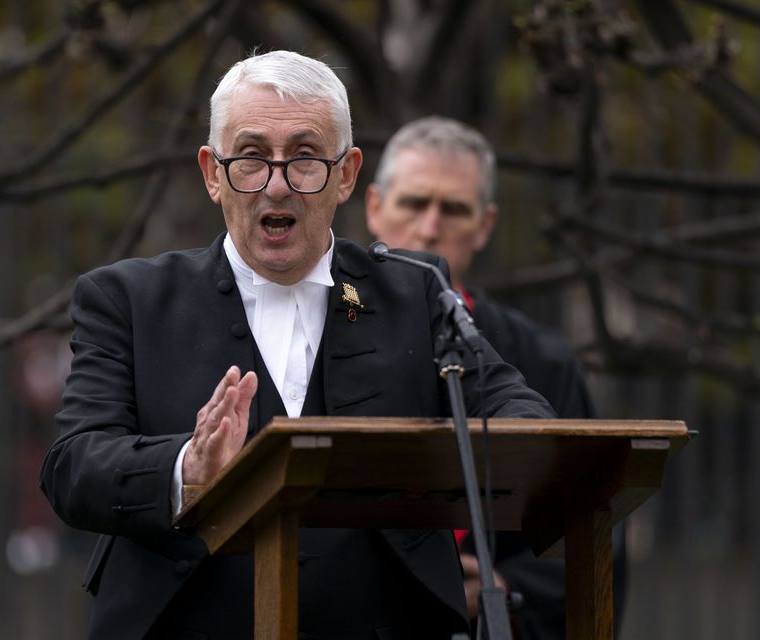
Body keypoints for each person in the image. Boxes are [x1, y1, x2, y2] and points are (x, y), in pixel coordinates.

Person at [40, 51, 554, 640]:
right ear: (212, 172)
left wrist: (419, 461)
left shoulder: (415, 292)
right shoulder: (127, 299)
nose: (277, 185)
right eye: (251, 158)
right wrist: (187, 469)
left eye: (306, 158)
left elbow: (520, 414)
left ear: (347, 174)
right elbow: (73, 467)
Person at [365, 116, 623, 639]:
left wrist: (504, 590)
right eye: (413, 204)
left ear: (485, 225)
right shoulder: (322, 333)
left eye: (454, 210)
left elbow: (592, 527)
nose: (430, 227)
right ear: (375, 207)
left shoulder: (541, 360)